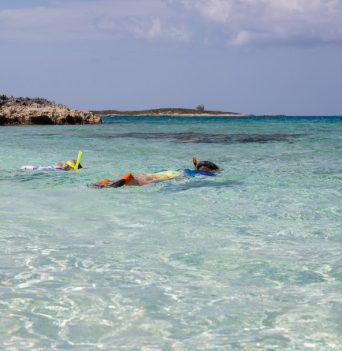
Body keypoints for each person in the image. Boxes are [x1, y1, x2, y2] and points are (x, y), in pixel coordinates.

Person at [94, 156, 219, 188]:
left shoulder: (190, 170)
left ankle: (106, 181)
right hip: (175, 175)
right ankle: (126, 178)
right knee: (146, 180)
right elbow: (208, 173)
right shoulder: (204, 173)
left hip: (172, 172)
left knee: (147, 177)